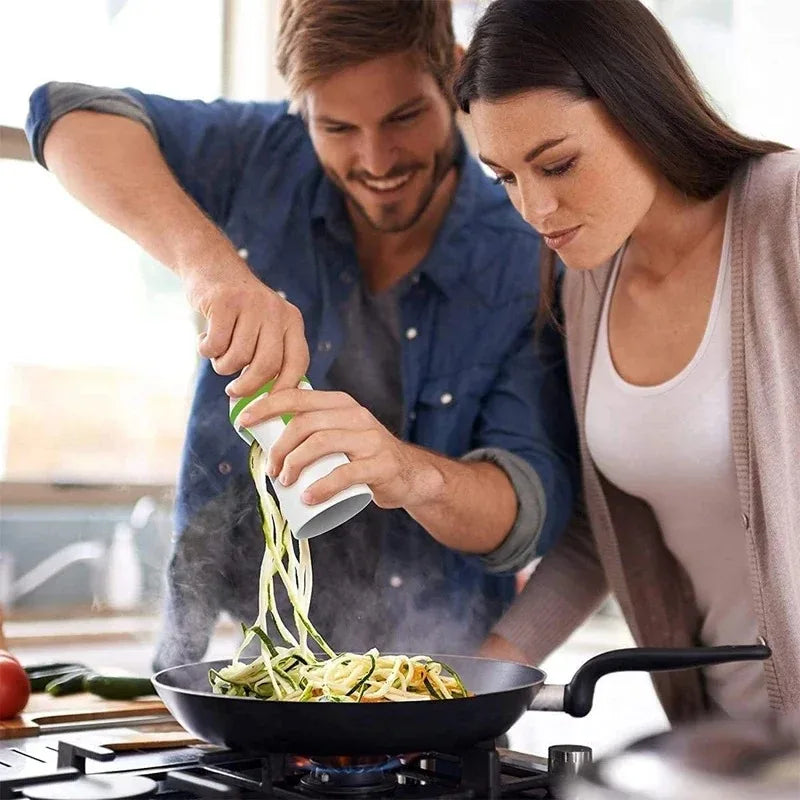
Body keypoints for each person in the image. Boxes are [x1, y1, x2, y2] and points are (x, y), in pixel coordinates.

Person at [26, 0, 577, 667]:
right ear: (301, 110)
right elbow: (63, 114)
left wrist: (406, 472)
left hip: (429, 690)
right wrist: (213, 272)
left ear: (454, 78)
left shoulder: (528, 247)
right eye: (337, 126)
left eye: (404, 117)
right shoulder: (264, 153)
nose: (376, 160)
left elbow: (528, 510)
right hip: (218, 664)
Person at [455, 0, 799, 720]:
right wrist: (477, 679)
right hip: (724, 743)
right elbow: (606, 524)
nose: (536, 209)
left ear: (640, 105)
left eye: (557, 164)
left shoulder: (785, 215)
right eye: (505, 178)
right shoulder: (588, 279)